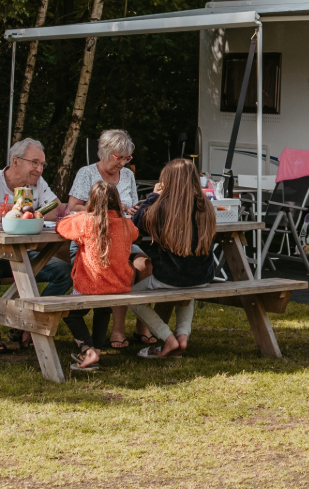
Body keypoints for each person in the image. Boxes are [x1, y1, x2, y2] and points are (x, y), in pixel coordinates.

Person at [0, 138, 72, 354]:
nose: (39, 169)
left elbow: (56, 209)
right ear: (16, 161)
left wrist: (30, 212)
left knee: (65, 272)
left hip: (21, 254)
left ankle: (27, 323)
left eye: (42, 164)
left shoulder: (37, 185)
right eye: (34, 163)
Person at [128, 157, 219, 359]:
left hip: (171, 277)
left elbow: (137, 221)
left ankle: (168, 338)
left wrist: (153, 196)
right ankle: (183, 336)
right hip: (202, 278)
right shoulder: (205, 205)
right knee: (188, 293)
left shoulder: (163, 206)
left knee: (132, 297)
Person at [67, 129, 140, 348]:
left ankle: (136, 328)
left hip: (122, 240)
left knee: (145, 265)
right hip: (92, 243)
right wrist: (107, 209)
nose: (123, 163)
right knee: (115, 268)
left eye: (127, 158)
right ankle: (106, 336)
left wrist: (133, 210)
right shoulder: (87, 173)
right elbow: (73, 207)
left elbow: (133, 205)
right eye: (119, 158)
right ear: (105, 153)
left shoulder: (127, 175)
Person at [54, 181, 137, 372]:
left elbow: (62, 226)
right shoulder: (126, 224)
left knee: (70, 313)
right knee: (103, 309)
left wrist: (83, 213)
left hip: (90, 285)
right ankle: (97, 350)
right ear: (117, 200)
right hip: (118, 285)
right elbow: (135, 233)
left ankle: (88, 349)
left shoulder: (85, 222)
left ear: (91, 201)